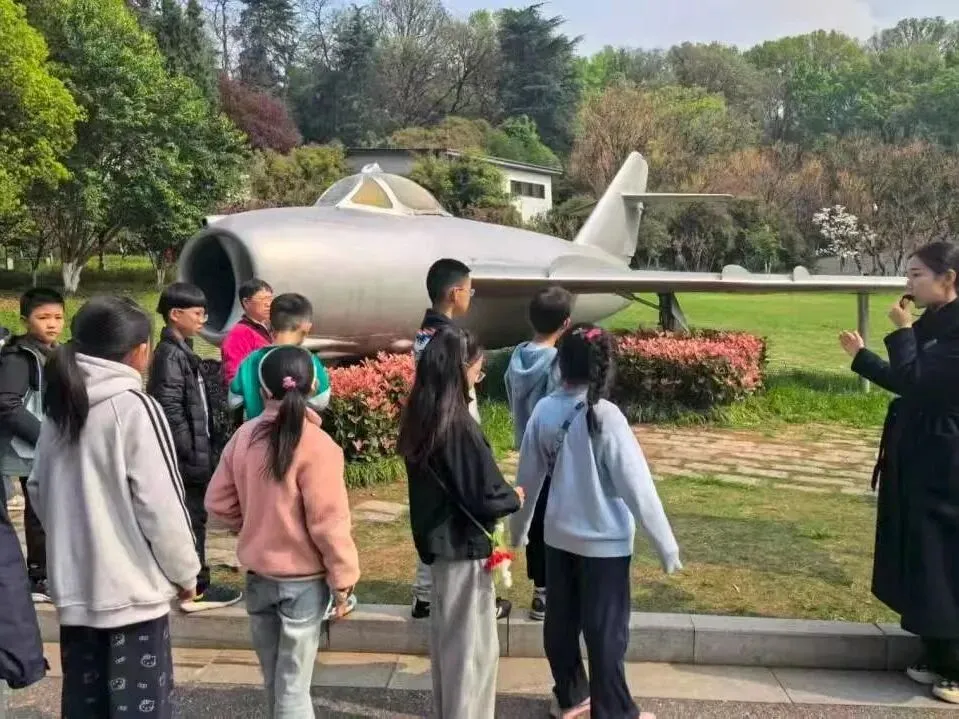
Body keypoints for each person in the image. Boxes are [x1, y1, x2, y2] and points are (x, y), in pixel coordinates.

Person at [27, 296, 200, 719]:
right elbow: (161, 506)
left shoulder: (60, 407)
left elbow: (37, 490)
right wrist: (186, 573)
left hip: (77, 598)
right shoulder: (135, 407)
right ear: (140, 350)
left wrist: (74, 546)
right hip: (132, 600)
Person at [511, 324, 681, 719]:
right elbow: (638, 487)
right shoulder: (607, 416)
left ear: (560, 363)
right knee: (606, 633)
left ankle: (570, 696)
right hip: (606, 546)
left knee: (560, 625)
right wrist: (666, 546)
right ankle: (614, 711)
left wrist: (517, 534)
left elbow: (526, 483)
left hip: (558, 538)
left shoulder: (544, 411)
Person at [206, 345, 360, 718]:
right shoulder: (319, 445)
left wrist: (253, 525)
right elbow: (329, 523)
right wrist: (343, 578)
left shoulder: (244, 437)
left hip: (259, 578)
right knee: (293, 689)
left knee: (276, 684)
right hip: (303, 584)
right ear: (313, 388)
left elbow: (218, 502)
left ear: (261, 390)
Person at [841, 241, 959, 706]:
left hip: (947, 459)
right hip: (920, 453)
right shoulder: (934, 322)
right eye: (908, 274)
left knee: (945, 556)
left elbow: (920, 382)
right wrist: (863, 357)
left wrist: (904, 330)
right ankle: (937, 650)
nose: (908, 283)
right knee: (920, 549)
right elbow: (905, 380)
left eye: (917, 275)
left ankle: (956, 664)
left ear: (948, 278)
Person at [398, 327, 523, 719]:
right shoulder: (458, 426)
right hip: (464, 547)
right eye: (476, 371)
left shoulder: (422, 416)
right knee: (471, 656)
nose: (477, 379)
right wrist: (513, 497)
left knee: (451, 650)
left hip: (440, 546)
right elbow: (483, 492)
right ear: (460, 370)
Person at [410, 259, 514, 620]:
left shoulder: (426, 332)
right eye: (470, 289)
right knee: (465, 512)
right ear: (455, 293)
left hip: (433, 427)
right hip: (453, 428)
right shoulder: (449, 339)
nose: (471, 295)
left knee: (436, 512)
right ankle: (471, 599)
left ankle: (425, 594)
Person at [147, 282, 243, 613]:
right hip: (186, 459)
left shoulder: (182, 350)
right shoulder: (169, 355)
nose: (203, 319)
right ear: (176, 314)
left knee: (196, 518)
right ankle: (196, 586)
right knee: (191, 520)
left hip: (196, 454)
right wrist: (189, 451)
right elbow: (170, 409)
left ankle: (196, 581)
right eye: (198, 313)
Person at [505, 285, 571, 621]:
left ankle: (540, 590)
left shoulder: (517, 356)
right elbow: (558, 408)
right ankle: (549, 593)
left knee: (532, 518)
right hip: (552, 457)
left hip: (526, 449)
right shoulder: (555, 362)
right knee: (553, 519)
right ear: (566, 323)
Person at [0, 287, 65, 603]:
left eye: (58, 317)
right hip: (28, 446)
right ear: (26, 320)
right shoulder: (19, 357)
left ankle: (48, 571)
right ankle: (39, 575)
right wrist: (43, 438)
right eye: (43, 317)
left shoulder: (57, 352)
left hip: (50, 443)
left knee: (49, 508)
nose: (52, 324)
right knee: (39, 509)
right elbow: (7, 404)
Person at [229, 293, 331, 421]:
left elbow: (233, 402)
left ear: (269, 324)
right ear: (307, 327)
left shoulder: (249, 361)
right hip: (298, 431)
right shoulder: (310, 361)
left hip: (257, 430)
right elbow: (321, 402)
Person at [221, 279, 274, 385]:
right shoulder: (238, 334)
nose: (268, 304)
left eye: (270, 299)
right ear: (246, 302)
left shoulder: (271, 328)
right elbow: (233, 377)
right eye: (263, 299)